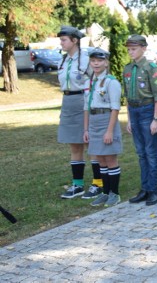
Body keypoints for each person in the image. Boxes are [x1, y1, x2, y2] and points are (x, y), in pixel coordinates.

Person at [57, 26, 103, 200]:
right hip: (68, 101)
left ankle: (98, 183)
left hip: (84, 101)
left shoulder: (87, 58)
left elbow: (98, 79)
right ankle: (77, 185)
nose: (61, 42)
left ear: (74, 40)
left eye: (64, 39)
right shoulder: (63, 60)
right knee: (74, 145)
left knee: (91, 143)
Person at [123, 35, 157, 206]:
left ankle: (153, 190)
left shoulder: (150, 67)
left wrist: (156, 118)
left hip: (147, 111)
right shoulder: (128, 68)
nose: (131, 52)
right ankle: (145, 189)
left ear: (143, 48)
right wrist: (129, 119)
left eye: (134, 49)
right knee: (140, 153)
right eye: (129, 49)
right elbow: (127, 95)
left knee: (150, 152)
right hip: (134, 110)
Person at [82, 48, 123, 207]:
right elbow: (86, 107)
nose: (96, 63)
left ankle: (114, 193)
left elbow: (115, 108)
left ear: (106, 63)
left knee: (110, 158)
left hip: (106, 120)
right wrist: (86, 129)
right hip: (93, 121)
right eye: (93, 61)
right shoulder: (90, 82)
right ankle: (105, 192)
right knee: (99, 158)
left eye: (99, 60)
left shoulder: (111, 82)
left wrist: (110, 130)